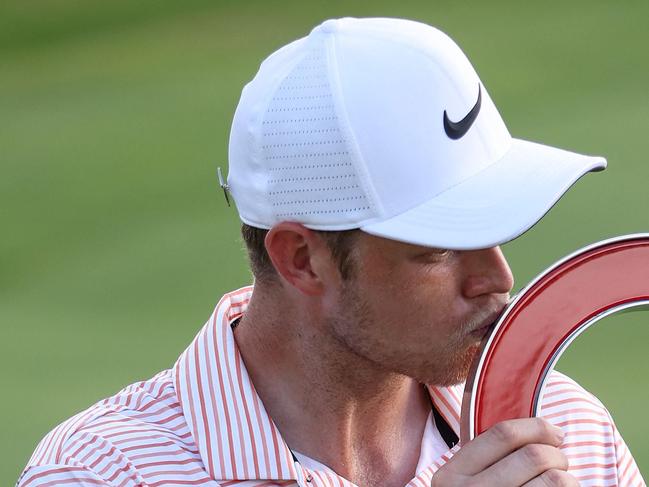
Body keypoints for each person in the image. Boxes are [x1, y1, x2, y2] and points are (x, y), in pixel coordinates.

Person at [18, 17, 644, 487]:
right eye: (438, 250)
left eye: (493, 231)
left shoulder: (566, 429)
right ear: (301, 259)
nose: (495, 278)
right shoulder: (101, 471)